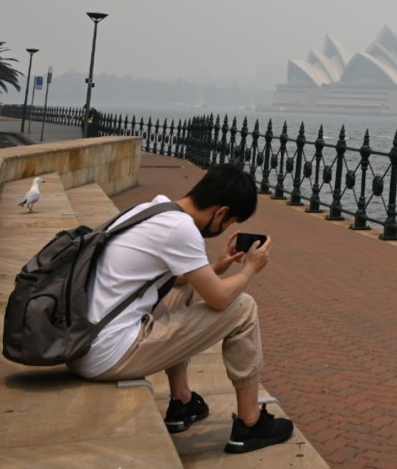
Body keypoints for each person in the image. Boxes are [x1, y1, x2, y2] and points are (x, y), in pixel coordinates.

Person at [67, 163, 293, 454]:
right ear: (221, 212)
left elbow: (180, 278)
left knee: (182, 287)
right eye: (229, 222)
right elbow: (221, 300)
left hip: (84, 343)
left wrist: (218, 267)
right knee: (244, 308)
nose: (225, 229)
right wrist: (249, 270)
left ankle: (182, 402)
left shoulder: (154, 210)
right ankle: (251, 424)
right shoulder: (181, 230)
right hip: (107, 354)